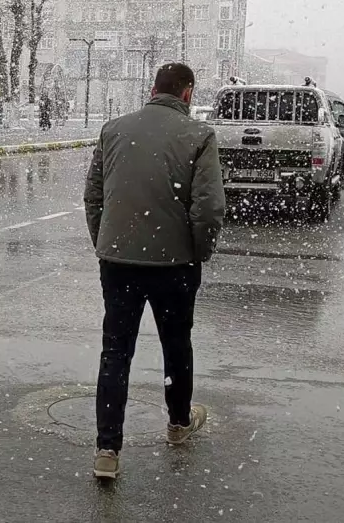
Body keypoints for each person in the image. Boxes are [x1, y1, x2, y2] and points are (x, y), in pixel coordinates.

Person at [83, 62, 226, 481]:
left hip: (118, 262)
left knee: (115, 352)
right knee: (176, 344)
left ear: (152, 89)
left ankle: (107, 449)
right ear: (187, 94)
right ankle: (179, 424)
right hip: (174, 264)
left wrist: (106, 243)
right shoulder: (199, 136)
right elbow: (210, 207)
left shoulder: (114, 129)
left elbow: (94, 196)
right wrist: (197, 251)